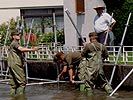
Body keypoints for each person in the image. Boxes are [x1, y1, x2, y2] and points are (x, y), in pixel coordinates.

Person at [78, 32, 113, 96]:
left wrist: (85, 46)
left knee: (88, 84)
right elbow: (106, 56)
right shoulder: (102, 46)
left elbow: (82, 55)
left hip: (91, 68)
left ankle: (90, 97)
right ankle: (111, 93)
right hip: (100, 68)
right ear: (97, 37)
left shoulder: (88, 46)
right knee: (103, 83)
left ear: (90, 38)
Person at [7, 29, 39, 95]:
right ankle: (21, 97)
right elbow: (21, 49)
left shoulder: (13, 43)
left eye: (19, 34)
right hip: (16, 64)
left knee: (14, 84)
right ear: (13, 36)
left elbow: (20, 51)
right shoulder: (14, 43)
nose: (19, 35)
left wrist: (23, 59)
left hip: (11, 64)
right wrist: (32, 49)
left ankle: (13, 97)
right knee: (22, 82)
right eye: (17, 35)